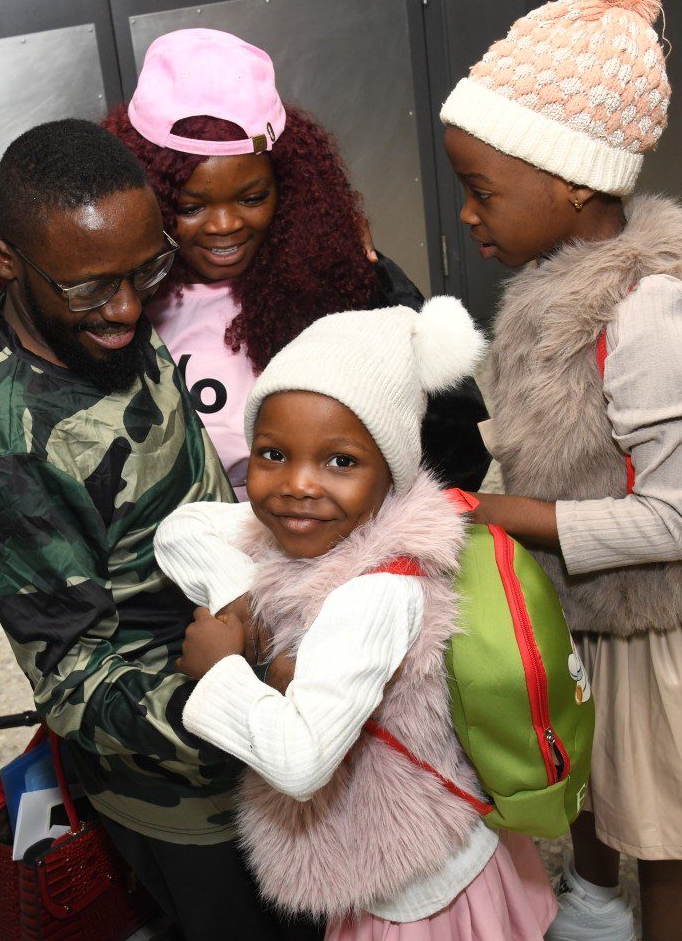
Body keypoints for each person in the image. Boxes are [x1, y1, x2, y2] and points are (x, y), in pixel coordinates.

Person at [436, 0, 682, 941]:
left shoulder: (651, 315)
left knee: (663, 803)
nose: (467, 213)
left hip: (655, 620)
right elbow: (551, 427)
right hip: (579, 594)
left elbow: (673, 518)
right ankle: (596, 897)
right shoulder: (553, 278)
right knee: (594, 764)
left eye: (481, 190)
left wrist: (504, 515)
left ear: (572, 182)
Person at [0, 119, 315, 941]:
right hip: (191, 793)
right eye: (89, 288)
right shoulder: (10, 448)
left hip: (262, 699)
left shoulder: (99, 308)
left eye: (147, 270)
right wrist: (243, 711)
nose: (127, 308)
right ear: (5, 263)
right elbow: (76, 679)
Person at [154, 299, 557, 940]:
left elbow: (301, 761)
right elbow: (181, 531)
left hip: (413, 881)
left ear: (390, 476)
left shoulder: (374, 596)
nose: (298, 485)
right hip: (408, 854)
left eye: (340, 461)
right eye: (273, 454)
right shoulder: (321, 531)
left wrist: (224, 668)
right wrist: (243, 604)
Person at [99, 28, 490, 497]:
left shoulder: (343, 281)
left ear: (289, 186)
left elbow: (452, 447)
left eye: (253, 197)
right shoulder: (119, 304)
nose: (224, 225)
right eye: (190, 207)